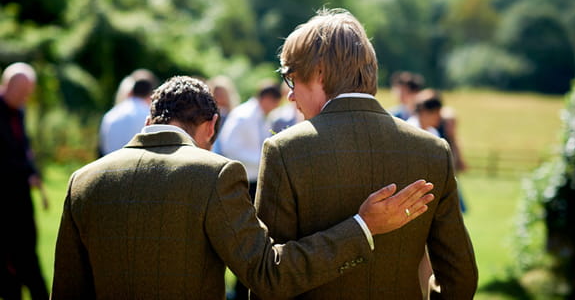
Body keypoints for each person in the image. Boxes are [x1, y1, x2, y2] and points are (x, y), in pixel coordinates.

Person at [52, 75, 435, 299]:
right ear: (211, 127)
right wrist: (363, 226)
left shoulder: (82, 181)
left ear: (152, 117)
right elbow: (270, 273)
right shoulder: (214, 175)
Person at [254, 8, 478, 299]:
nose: (291, 95)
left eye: (292, 79)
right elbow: (460, 278)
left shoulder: (284, 151)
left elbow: (268, 276)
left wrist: (359, 229)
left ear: (320, 72)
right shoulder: (433, 150)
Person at [0, 62, 49, 300]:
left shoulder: (19, 112)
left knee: (27, 252)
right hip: (3, 198)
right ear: (8, 85)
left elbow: (23, 149)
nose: (25, 98)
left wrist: (33, 172)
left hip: (20, 197)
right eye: (22, 92)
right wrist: (24, 172)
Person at [216, 80, 282, 198]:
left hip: (254, 177)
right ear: (267, 99)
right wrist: (261, 159)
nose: (275, 107)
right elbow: (228, 147)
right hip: (241, 179)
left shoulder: (263, 116)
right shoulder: (243, 116)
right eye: (275, 103)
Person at [98, 69, 158, 156]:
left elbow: (102, 147)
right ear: (151, 94)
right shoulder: (149, 116)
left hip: (109, 165)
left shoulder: (110, 115)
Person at [207, 75, 240, 154]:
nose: (219, 96)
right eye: (216, 93)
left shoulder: (234, 114)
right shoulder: (207, 112)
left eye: (221, 93)